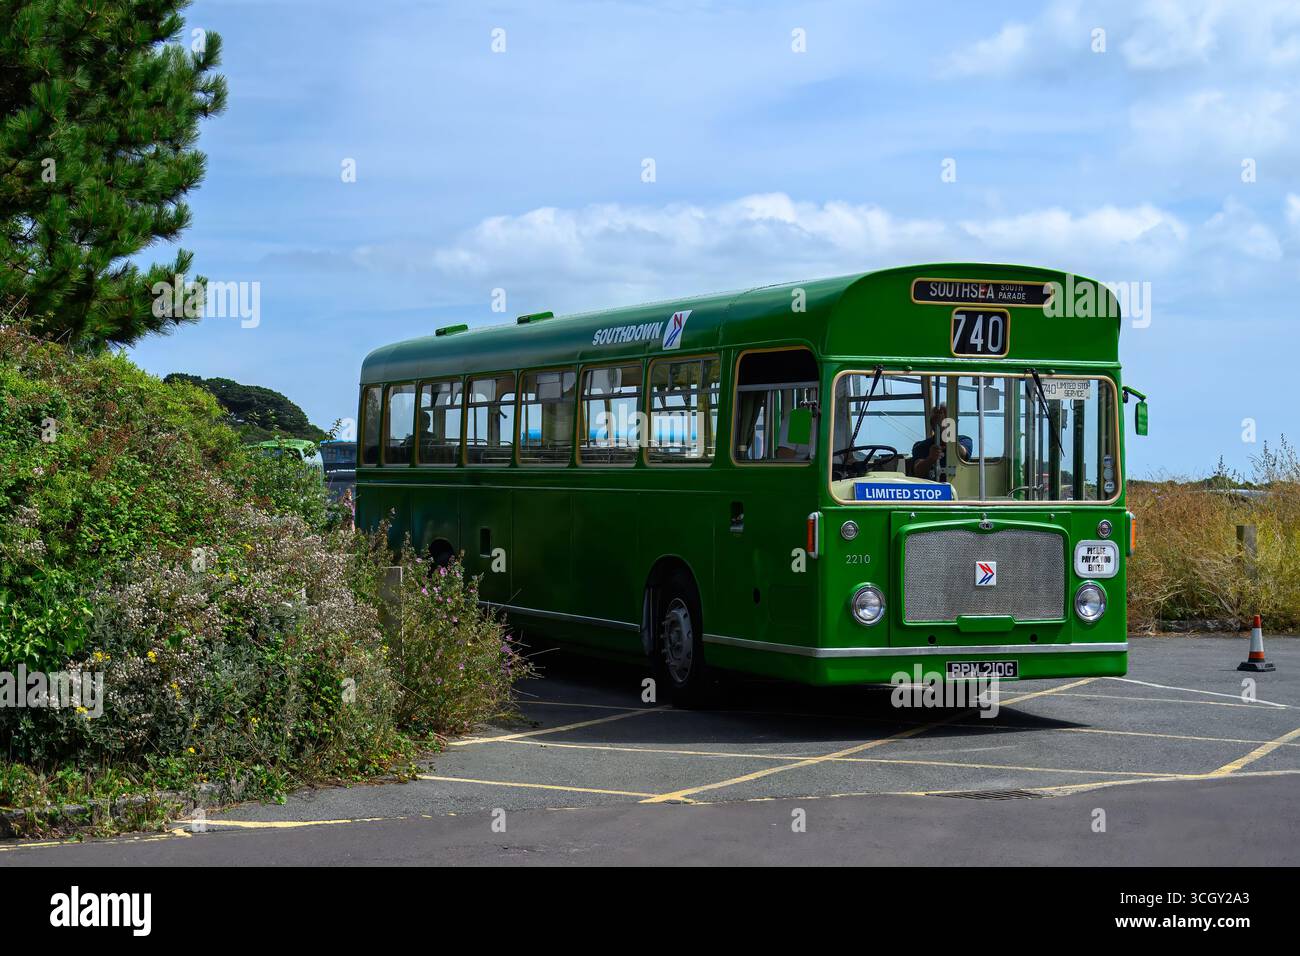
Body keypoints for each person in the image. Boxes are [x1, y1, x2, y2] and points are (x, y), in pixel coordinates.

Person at [909, 403, 972, 478]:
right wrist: (930, 459)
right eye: (938, 420)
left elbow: (962, 454)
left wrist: (945, 430)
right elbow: (918, 472)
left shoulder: (964, 440)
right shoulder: (921, 446)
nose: (943, 423)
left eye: (947, 419)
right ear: (932, 423)